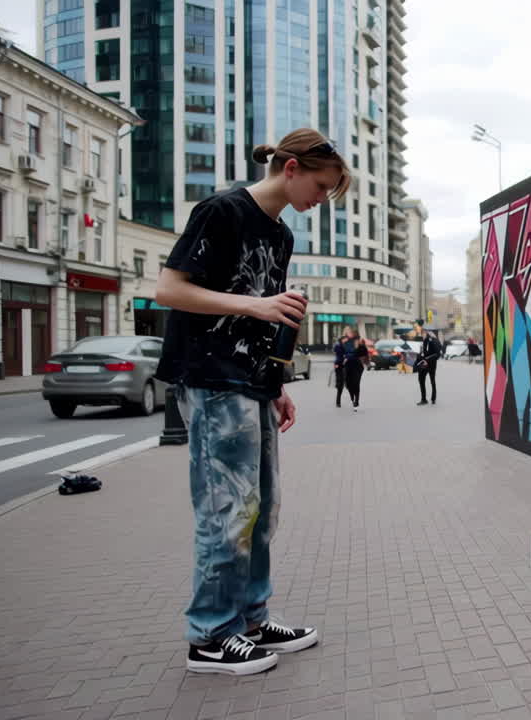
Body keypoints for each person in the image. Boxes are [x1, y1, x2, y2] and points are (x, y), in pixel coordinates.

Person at [156, 128, 351, 676]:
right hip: (211, 379)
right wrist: (256, 306)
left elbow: (266, 319)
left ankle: (250, 620)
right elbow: (168, 290)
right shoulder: (221, 211)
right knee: (228, 511)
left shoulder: (281, 235)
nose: (321, 199)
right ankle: (210, 637)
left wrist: (276, 385)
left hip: (252, 383)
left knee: (262, 510)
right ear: (290, 169)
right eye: (320, 186)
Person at [332, 327, 367, 410]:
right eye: (347, 332)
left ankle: (356, 400)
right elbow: (338, 352)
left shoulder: (357, 340)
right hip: (345, 365)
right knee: (346, 384)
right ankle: (348, 398)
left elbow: (361, 352)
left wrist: (360, 346)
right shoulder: (341, 341)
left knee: (356, 383)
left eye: (350, 331)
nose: (349, 333)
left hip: (356, 365)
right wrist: (338, 362)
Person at [417, 329, 442, 405]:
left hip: (429, 363)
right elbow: (424, 353)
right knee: (429, 380)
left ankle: (427, 399)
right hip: (429, 363)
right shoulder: (430, 340)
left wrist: (426, 359)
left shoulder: (430, 340)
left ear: (426, 333)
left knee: (425, 379)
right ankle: (430, 399)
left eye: (422, 333)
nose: (422, 335)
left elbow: (437, 354)